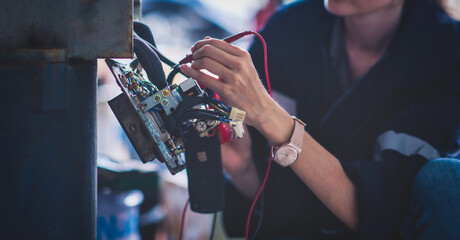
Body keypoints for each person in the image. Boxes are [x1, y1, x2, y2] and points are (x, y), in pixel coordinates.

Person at [180, 0, 460, 239]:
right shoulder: (289, 27)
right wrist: (242, 169)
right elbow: (284, 206)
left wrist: (272, 119)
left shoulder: (447, 56)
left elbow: (390, 218)